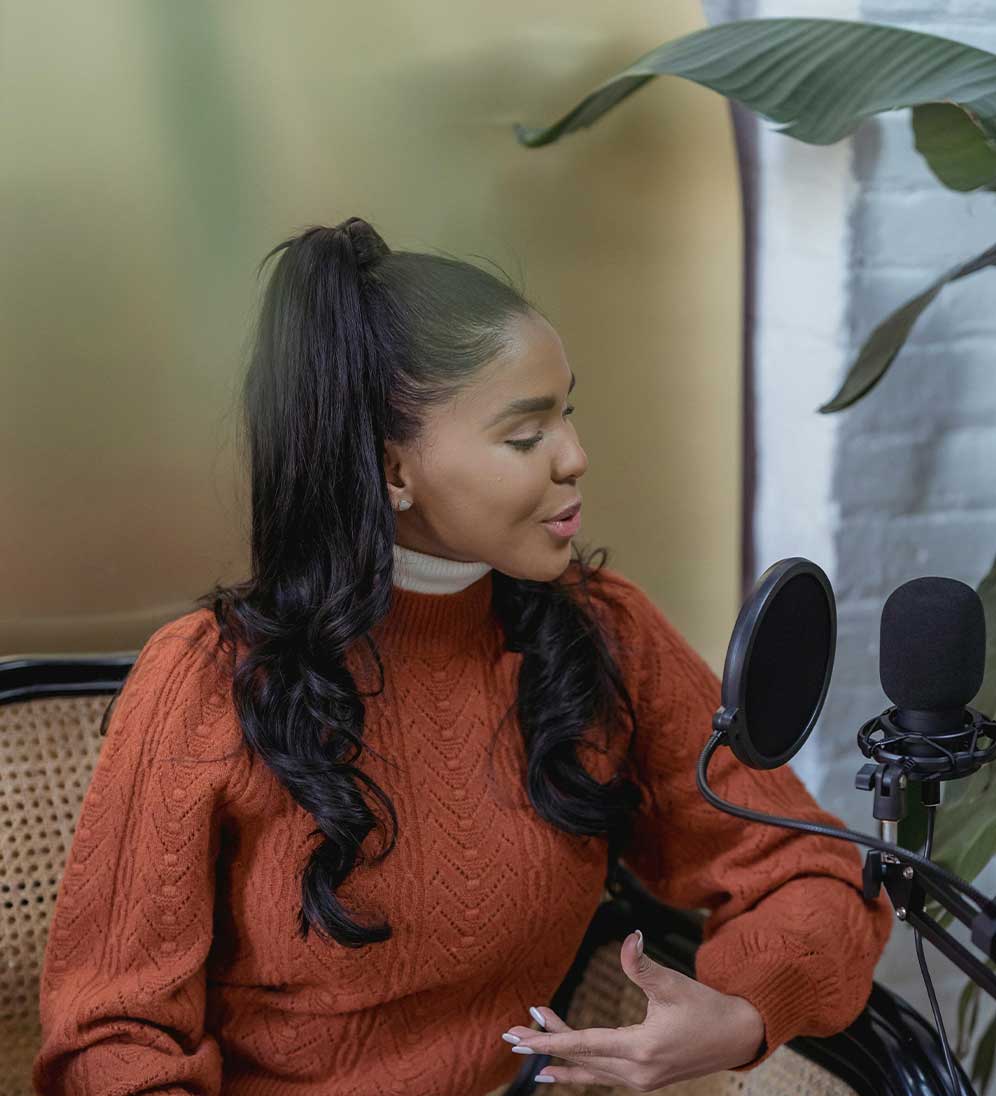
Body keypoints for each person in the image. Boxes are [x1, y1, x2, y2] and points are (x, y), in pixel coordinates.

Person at [32, 218, 893, 1096]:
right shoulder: (207, 681)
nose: (576, 457)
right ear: (393, 469)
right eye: (526, 436)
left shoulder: (603, 634)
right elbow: (114, 1039)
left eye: (568, 412)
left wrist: (745, 1008)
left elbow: (809, 865)